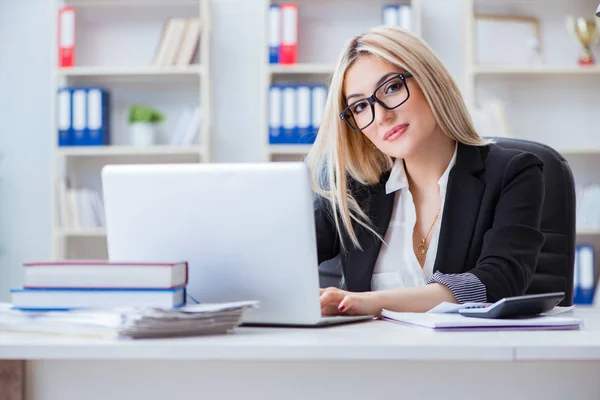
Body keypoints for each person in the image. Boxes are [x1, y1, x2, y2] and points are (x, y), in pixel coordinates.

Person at [305, 25, 545, 317]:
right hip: (367, 357)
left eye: (392, 88)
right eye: (360, 107)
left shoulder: (513, 173)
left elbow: (498, 281)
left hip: (470, 357)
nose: (381, 116)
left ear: (430, 81)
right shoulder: (351, 188)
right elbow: (279, 254)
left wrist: (372, 302)